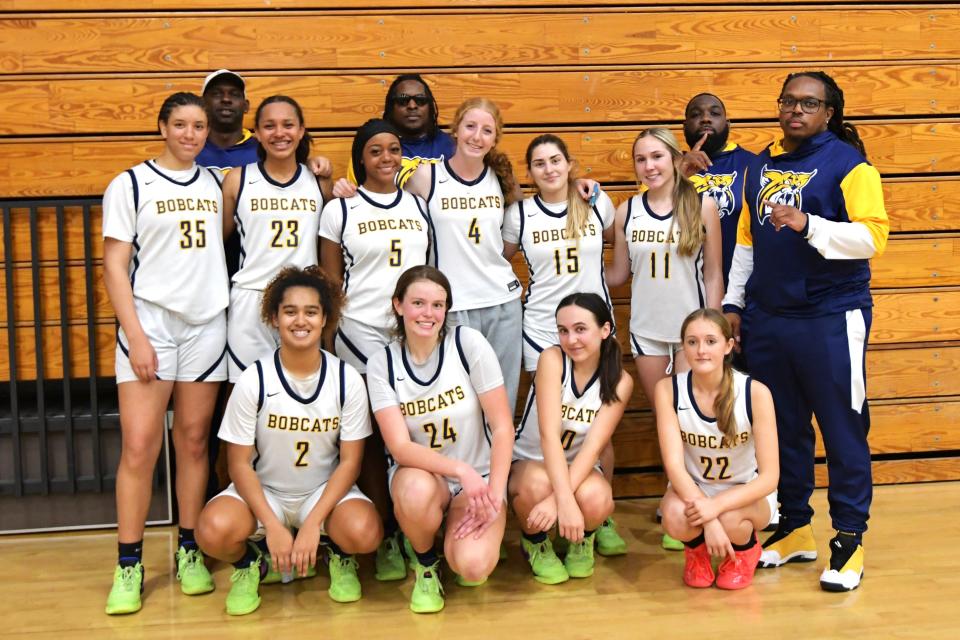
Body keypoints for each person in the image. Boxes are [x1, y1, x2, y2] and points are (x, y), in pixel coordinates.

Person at [723, 70, 889, 592]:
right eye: (789, 101)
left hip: (830, 317)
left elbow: (872, 237)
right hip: (769, 318)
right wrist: (733, 303)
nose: (796, 110)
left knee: (842, 428)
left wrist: (808, 224)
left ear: (829, 113)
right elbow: (746, 244)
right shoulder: (760, 165)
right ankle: (795, 526)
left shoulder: (850, 164)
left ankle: (849, 538)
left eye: (809, 103)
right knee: (784, 427)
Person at [102, 92, 229, 614]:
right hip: (150, 322)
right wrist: (135, 335)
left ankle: (190, 550)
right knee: (139, 446)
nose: (190, 134)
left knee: (195, 442)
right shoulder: (130, 183)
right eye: (180, 124)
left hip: (206, 323)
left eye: (198, 126)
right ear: (162, 128)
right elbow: (114, 266)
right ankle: (128, 564)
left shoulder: (216, 183)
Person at [195, 266, 382, 615]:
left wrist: (311, 525)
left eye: (311, 312)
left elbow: (351, 463)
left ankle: (338, 555)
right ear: (274, 318)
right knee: (212, 530)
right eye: (290, 311)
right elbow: (237, 464)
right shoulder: (254, 379)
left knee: (365, 533)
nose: (301, 320)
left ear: (325, 318)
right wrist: (274, 527)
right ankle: (250, 563)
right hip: (266, 494)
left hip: (320, 495)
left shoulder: (346, 380)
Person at [501, 134, 627, 556]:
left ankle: (598, 514)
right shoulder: (518, 215)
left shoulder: (594, 202)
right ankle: (555, 503)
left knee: (597, 424)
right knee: (556, 423)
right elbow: (496, 261)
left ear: (570, 164)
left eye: (556, 160)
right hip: (543, 330)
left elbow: (619, 241)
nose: (549, 169)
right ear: (530, 172)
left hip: (593, 326)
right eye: (539, 163)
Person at [319, 118, 432, 582]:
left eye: (394, 150)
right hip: (359, 331)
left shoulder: (420, 206)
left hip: (410, 332)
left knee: (409, 429)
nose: (387, 159)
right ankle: (384, 532)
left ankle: (414, 527)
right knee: (367, 436)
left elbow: (430, 274)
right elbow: (330, 282)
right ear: (360, 159)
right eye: (376, 152)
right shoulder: (339, 210)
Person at [365, 266, 515, 613]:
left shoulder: (468, 344)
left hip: (476, 481)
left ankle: (455, 538)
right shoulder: (382, 364)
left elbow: (503, 427)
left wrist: (494, 493)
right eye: (418, 303)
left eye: (438, 305)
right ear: (398, 305)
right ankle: (425, 561)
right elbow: (400, 447)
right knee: (415, 492)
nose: (428, 314)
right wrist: (459, 469)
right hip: (426, 477)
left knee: (473, 565)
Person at [402, 98, 524, 413]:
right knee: (458, 405)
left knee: (501, 404)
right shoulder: (425, 177)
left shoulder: (502, 180)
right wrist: (341, 186)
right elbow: (378, 190)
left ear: (495, 139)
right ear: (455, 130)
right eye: (470, 126)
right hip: (454, 307)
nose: (476, 136)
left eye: (487, 130)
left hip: (503, 304)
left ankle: (500, 464)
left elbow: (516, 233)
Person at [509, 293, 632, 583]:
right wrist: (560, 500)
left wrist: (560, 500)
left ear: (605, 330)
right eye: (563, 331)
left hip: (579, 465)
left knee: (598, 498)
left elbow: (593, 447)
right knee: (536, 486)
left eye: (580, 329)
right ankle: (535, 542)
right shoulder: (551, 360)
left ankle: (582, 539)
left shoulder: (620, 380)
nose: (571, 339)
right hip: (532, 460)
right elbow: (549, 437)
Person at [656, 309, 778, 589]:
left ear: (728, 346)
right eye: (692, 342)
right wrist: (708, 519)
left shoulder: (755, 392)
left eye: (711, 341)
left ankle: (745, 552)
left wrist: (715, 509)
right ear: (683, 347)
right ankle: (696, 553)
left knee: (731, 519)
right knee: (673, 515)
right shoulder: (668, 390)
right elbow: (674, 466)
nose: (701, 350)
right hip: (696, 489)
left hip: (745, 493)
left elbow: (770, 477)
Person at [223, 95, 329, 383]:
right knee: (245, 391)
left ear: (301, 130)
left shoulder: (319, 181)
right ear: (256, 132)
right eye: (269, 126)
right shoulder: (237, 179)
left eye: (288, 125)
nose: (279, 133)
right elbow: (215, 244)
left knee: (299, 390)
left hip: (302, 302)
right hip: (251, 298)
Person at [680, 93, 759, 289]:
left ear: (728, 123)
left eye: (714, 113)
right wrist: (678, 173)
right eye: (696, 114)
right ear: (684, 126)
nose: (706, 118)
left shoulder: (753, 164)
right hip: (683, 287)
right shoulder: (665, 168)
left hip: (741, 287)